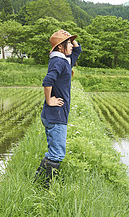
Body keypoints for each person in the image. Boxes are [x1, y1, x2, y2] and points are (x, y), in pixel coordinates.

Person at [34, 29, 81, 187]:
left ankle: (38, 182)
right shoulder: (59, 62)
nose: (72, 46)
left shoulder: (64, 60)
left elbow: (78, 49)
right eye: (68, 43)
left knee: (54, 152)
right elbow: (47, 81)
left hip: (55, 115)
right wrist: (49, 100)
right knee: (57, 153)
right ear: (60, 47)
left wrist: (70, 37)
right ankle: (46, 187)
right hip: (55, 115)